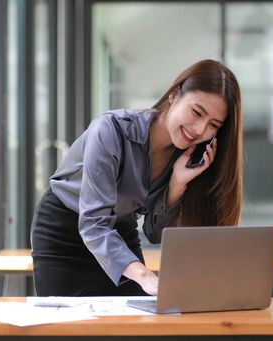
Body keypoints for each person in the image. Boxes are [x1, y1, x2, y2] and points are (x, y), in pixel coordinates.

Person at [31, 59, 243, 297]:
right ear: (174, 95)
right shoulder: (110, 130)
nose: (199, 130)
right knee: (66, 330)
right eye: (196, 112)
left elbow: (154, 234)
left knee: (139, 328)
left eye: (213, 125)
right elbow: (93, 224)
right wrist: (144, 276)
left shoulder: (185, 157)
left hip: (120, 233)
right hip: (65, 234)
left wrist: (175, 185)